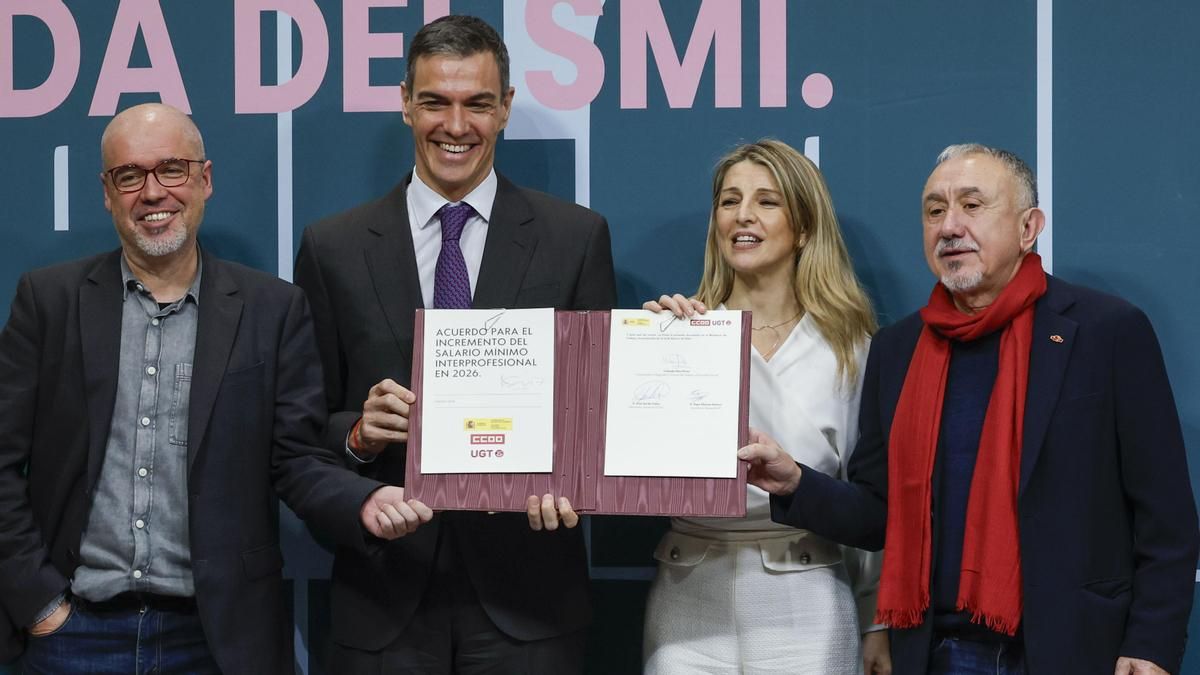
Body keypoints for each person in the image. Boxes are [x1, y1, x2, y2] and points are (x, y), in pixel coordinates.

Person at [0, 103, 428, 675]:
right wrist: (39, 603)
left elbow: (296, 459)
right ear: (107, 193)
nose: (153, 192)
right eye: (130, 176)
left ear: (204, 179)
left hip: (220, 640)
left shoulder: (273, 309)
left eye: (171, 169)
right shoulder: (48, 301)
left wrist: (362, 500)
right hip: (74, 636)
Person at [741, 143, 1199, 674]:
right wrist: (795, 482)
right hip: (937, 652)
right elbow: (878, 514)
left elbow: (1166, 516)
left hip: (1073, 650)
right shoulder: (898, 349)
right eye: (934, 210)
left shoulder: (1106, 332)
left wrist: (1151, 644)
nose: (949, 226)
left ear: (1029, 228)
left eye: (972, 205)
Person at [293, 14, 616, 673]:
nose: (456, 125)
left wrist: (572, 479)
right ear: (406, 104)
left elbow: (596, 413)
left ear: (506, 108)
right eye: (436, 101)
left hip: (530, 599)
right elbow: (299, 431)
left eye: (478, 103)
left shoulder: (575, 238)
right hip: (382, 594)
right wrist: (358, 435)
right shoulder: (333, 248)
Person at [643, 140, 891, 674]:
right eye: (730, 201)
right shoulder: (676, 332)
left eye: (767, 201)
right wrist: (644, 350)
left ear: (803, 228)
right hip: (687, 594)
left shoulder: (852, 350)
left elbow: (869, 505)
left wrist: (876, 622)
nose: (743, 215)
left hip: (808, 600)